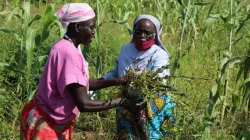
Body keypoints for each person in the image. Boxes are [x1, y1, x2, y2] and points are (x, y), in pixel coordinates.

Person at [19, 3, 137, 140]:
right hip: (48, 125)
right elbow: (84, 103)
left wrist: (118, 81)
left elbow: (80, 84)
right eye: (91, 27)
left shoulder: (62, 45)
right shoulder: (70, 54)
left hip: (39, 113)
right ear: (77, 27)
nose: (93, 32)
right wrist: (122, 102)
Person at [102, 14, 176, 139]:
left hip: (152, 104)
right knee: (126, 135)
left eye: (147, 33)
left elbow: (159, 80)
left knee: (151, 135)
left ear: (155, 35)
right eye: (138, 32)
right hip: (126, 102)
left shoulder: (159, 55)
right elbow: (117, 71)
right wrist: (99, 82)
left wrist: (136, 82)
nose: (142, 36)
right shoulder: (126, 49)